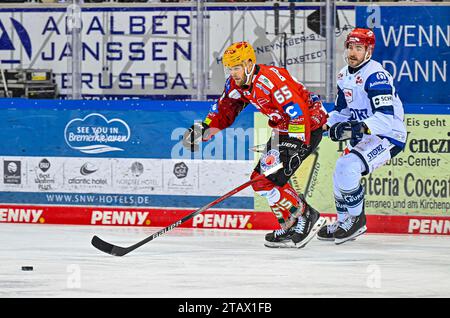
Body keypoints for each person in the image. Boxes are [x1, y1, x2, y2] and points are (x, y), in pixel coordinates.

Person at [182, 41, 328, 248]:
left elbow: (298, 111)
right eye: (230, 68)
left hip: (305, 128)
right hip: (282, 130)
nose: (233, 73)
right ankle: (289, 224)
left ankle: (306, 214)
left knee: (269, 179)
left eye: (237, 67)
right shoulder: (236, 85)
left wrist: (297, 144)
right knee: (259, 182)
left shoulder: (270, 80)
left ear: (250, 63)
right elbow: (224, 110)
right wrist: (204, 128)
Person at [318, 28, 407, 244]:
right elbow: (342, 112)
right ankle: (343, 221)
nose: (353, 52)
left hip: (388, 135)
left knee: (348, 167)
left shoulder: (376, 76)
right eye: (350, 47)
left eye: (359, 48)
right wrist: (321, 124)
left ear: (368, 51)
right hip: (367, 134)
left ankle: (357, 220)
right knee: (340, 171)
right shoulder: (343, 75)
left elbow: (385, 119)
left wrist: (354, 128)